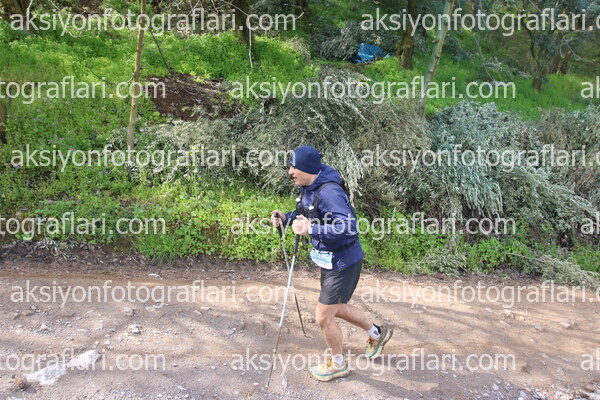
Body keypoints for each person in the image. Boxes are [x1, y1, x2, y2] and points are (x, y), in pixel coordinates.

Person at [271, 145, 393, 382]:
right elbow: (306, 213)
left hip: (343, 262)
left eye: (294, 167)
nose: (290, 171)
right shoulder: (308, 188)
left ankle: (338, 363)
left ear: (307, 168)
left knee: (323, 316)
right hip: (330, 260)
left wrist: (312, 229)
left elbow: (348, 227)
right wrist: (286, 219)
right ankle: (377, 333)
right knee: (338, 308)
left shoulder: (330, 193)